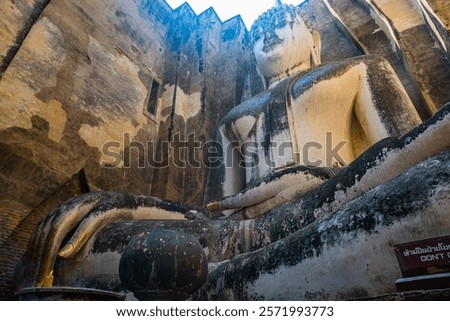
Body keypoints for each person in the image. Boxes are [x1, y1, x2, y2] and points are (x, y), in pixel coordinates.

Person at [14, 3, 449, 298]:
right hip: (238, 236)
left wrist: (326, 185)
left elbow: (409, 154)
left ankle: (213, 290)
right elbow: (217, 210)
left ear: (313, 37)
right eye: (258, 31)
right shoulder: (235, 117)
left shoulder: (358, 70)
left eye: (281, 21)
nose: (267, 33)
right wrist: (128, 206)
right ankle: (244, 282)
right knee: (95, 241)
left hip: (332, 208)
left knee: (435, 188)